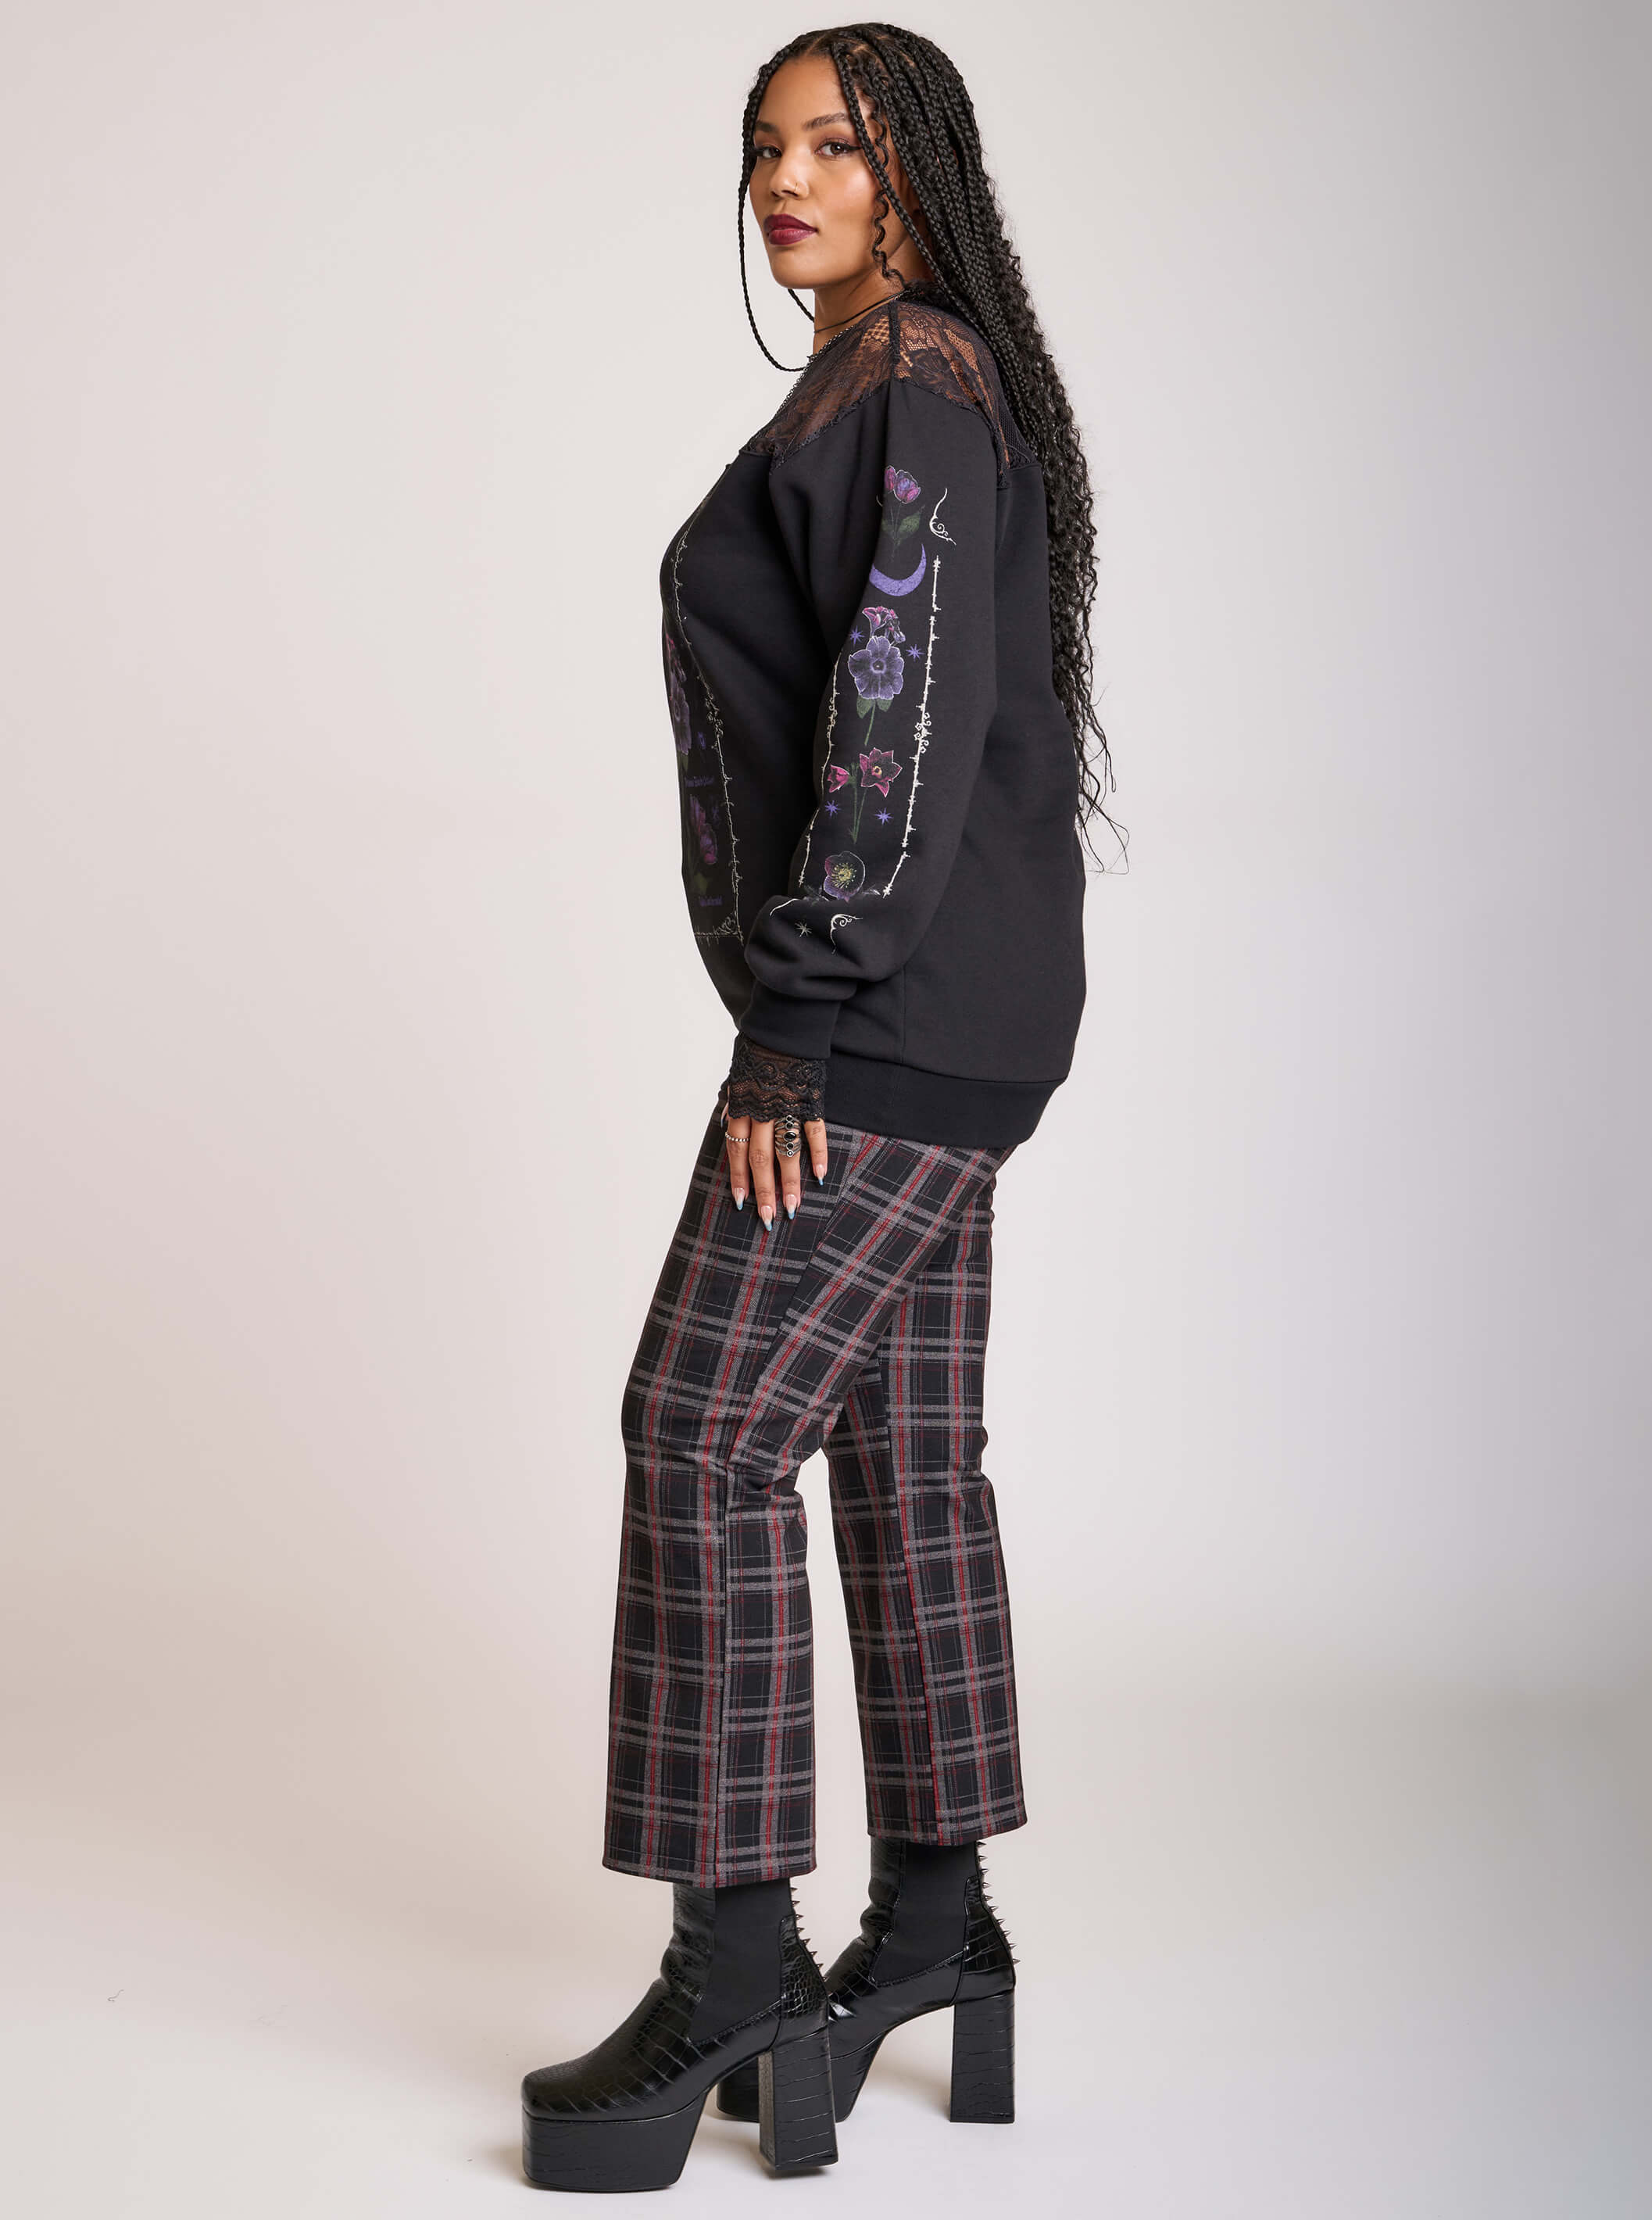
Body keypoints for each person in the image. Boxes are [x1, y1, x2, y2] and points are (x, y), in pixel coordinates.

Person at [520, 22, 1123, 2193]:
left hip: (879, 1017)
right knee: (900, 1456)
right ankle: (940, 1929)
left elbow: (894, 717)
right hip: (953, 1011)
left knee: (697, 1434)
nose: (789, 179)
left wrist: (792, 1026)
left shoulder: (914, 387)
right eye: (766, 147)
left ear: (913, 174)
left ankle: (736, 1966)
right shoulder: (896, 382)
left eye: (836, 147)